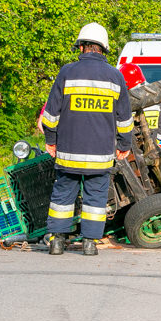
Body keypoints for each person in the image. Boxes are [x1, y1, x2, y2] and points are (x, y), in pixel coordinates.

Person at [41, 23, 133, 256]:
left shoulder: (67, 72)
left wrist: (51, 140)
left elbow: (50, 115)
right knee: (96, 197)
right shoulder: (115, 76)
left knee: (62, 195)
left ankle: (57, 242)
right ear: (103, 48)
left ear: (81, 46)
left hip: (69, 151)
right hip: (100, 154)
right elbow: (124, 119)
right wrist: (124, 145)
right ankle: (90, 243)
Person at [119, 63, 161, 145]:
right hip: (152, 149)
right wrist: (155, 143)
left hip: (132, 148)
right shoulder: (155, 99)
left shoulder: (127, 100)